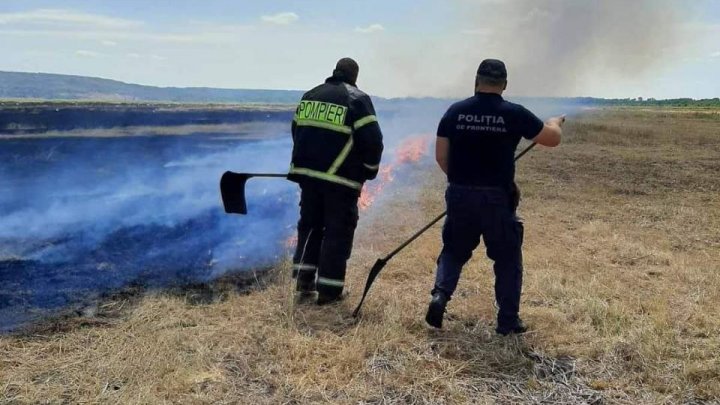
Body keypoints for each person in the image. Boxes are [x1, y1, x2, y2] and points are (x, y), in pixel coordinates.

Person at [426, 58, 565, 334]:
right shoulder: (514, 113)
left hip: (460, 194)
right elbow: (552, 139)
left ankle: (440, 294)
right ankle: (508, 321)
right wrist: (554, 122)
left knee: (454, 250)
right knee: (507, 257)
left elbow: (442, 156)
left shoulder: (454, 112)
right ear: (504, 84)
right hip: (497, 199)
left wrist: (462, 183)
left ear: (476, 81)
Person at [287, 57, 384, 305]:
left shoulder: (309, 96)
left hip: (308, 178)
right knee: (337, 232)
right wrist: (369, 171)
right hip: (340, 181)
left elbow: (296, 130)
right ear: (354, 76)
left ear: (334, 71)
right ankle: (329, 292)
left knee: (309, 226)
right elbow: (372, 141)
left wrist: (306, 164)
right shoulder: (357, 99)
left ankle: (303, 282)